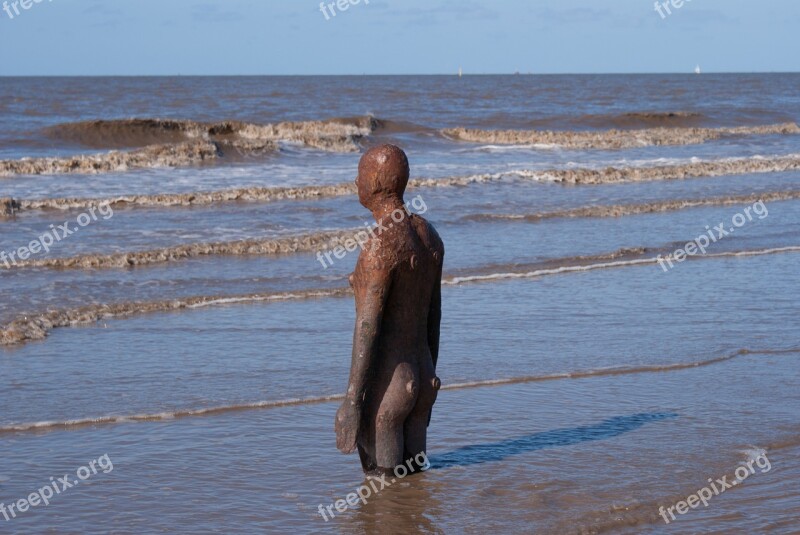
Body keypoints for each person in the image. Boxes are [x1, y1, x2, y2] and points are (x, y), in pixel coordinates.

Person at [335, 144, 444, 475]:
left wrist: (352, 403)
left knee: (384, 495)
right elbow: (434, 317)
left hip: (389, 384)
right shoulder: (430, 236)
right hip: (424, 374)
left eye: (360, 174)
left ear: (376, 180)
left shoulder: (380, 243)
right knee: (415, 487)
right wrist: (428, 379)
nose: (356, 181)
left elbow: (367, 327)